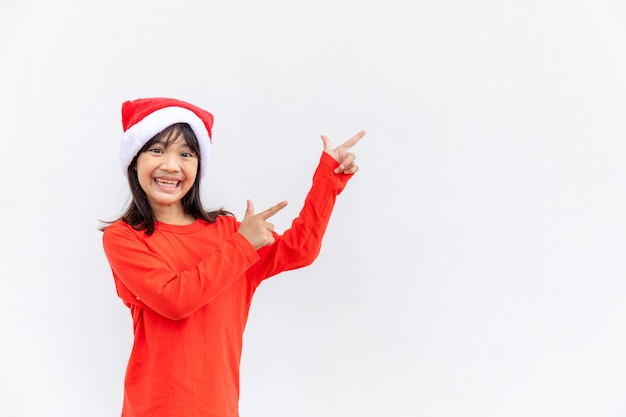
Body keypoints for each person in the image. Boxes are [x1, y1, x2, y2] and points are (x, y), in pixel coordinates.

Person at [102, 97, 364, 417]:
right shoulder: (125, 238)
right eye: (156, 150)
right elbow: (175, 299)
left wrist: (328, 181)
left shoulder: (228, 233)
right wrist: (242, 245)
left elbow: (300, 250)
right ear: (134, 160)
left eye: (186, 153)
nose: (171, 165)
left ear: (198, 166)